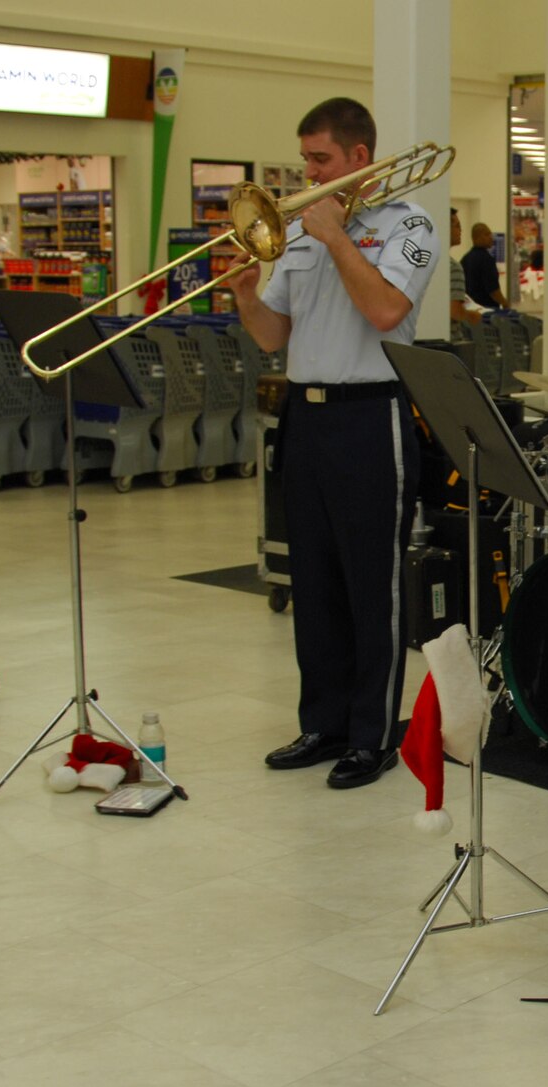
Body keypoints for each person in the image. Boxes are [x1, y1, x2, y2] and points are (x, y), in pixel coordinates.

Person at [228, 97, 438, 789]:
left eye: (320, 160)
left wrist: (338, 238)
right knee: (312, 578)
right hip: (306, 415)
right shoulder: (298, 234)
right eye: (305, 160)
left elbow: (384, 310)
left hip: (369, 414)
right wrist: (246, 294)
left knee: (369, 583)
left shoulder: (409, 225)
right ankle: (320, 722)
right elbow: (272, 336)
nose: (307, 174)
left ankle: (371, 734)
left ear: (358, 158)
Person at [446, 209, 480, 346]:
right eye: (457, 226)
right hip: (451, 342)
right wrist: (472, 316)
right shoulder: (453, 267)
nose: (461, 231)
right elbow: (454, 311)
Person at [462, 221, 508, 311]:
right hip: (487, 310)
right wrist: (505, 303)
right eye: (487, 234)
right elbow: (493, 290)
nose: (491, 238)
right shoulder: (487, 259)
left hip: (470, 309)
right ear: (476, 237)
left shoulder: (465, 259)